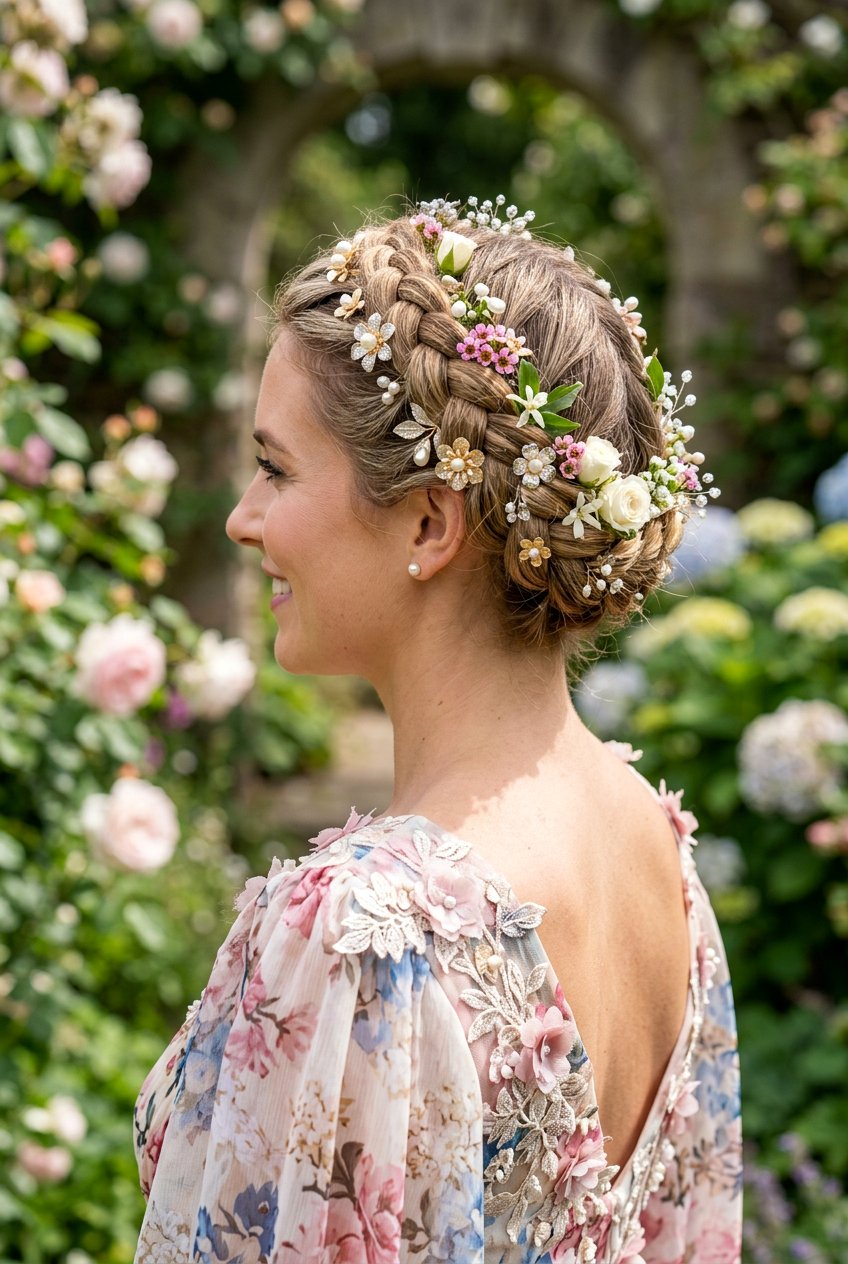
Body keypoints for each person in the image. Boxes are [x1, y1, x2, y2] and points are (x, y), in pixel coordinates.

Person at [132, 197, 741, 1263]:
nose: (242, 517)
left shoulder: (361, 930)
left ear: (426, 522)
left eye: (274, 467)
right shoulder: (656, 850)